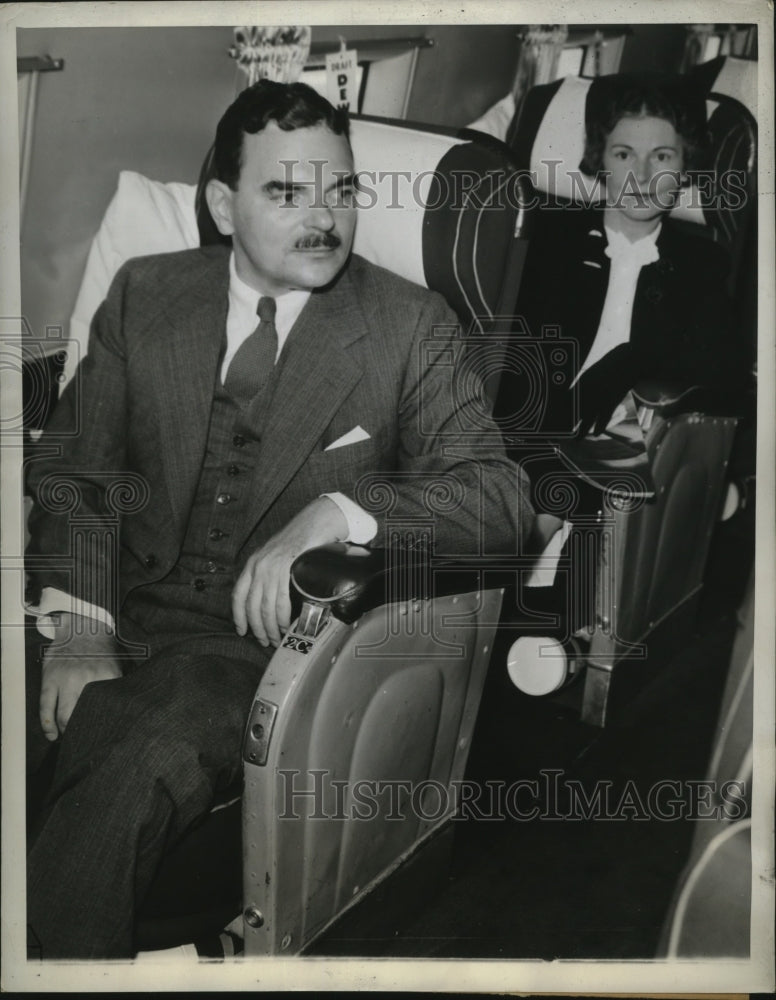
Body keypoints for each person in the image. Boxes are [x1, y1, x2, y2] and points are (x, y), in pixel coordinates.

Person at [24, 79, 532, 959]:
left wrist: (342, 511)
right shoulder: (148, 294)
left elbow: (501, 502)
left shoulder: (411, 325)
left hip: (254, 652)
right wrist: (77, 618)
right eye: (287, 191)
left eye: (340, 189)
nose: (324, 217)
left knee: (129, 749)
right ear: (224, 205)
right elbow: (78, 464)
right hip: (119, 605)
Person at [494, 72, 747, 632]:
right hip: (538, 427)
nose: (641, 175)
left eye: (662, 156)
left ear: (684, 170)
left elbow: (719, 379)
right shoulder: (550, 242)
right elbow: (515, 360)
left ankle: (551, 587)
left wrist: (625, 368)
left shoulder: (702, 266)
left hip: (627, 442)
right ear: (599, 161)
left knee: (616, 458)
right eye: (624, 153)